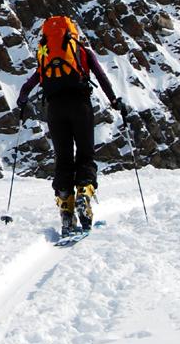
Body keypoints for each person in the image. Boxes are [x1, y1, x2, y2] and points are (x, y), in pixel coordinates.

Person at [15, 14, 127, 234]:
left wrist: (22, 100)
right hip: (80, 106)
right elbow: (101, 76)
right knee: (85, 155)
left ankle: (66, 209)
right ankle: (84, 193)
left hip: (55, 110)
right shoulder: (82, 51)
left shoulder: (45, 54)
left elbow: (29, 85)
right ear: (72, 33)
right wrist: (114, 101)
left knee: (63, 160)